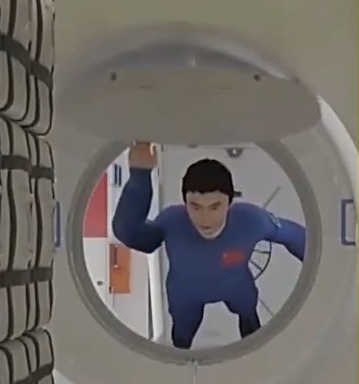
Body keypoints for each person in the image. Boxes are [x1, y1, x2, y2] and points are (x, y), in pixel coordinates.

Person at [111, 141, 307, 349]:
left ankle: (254, 349)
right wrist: (139, 177)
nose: (205, 219)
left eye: (215, 206)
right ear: (185, 203)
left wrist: (324, 269)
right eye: (195, 206)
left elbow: (297, 236)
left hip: (237, 289)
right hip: (186, 296)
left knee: (248, 315)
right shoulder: (172, 221)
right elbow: (129, 233)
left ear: (230, 202)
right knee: (182, 334)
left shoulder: (250, 220)